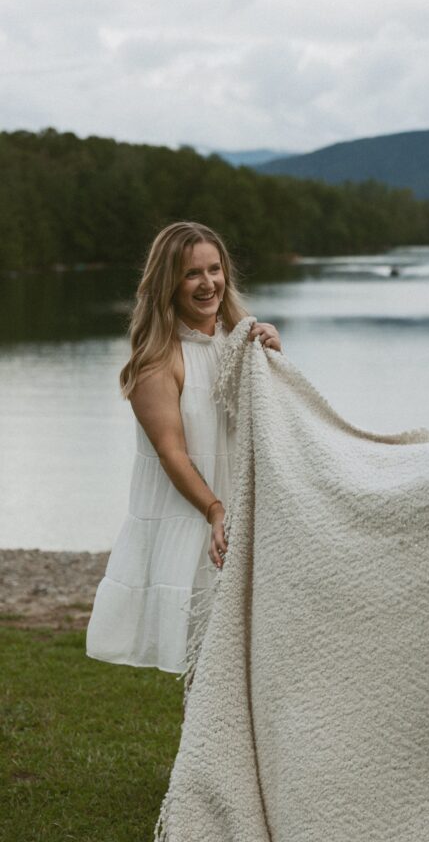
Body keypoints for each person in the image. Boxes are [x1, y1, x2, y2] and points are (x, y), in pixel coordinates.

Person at [86, 221, 281, 674]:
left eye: (215, 269)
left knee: (256, 660)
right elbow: (172, 454)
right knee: (210, 664)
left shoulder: (241, 345)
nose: (208, 283)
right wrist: (215, 511)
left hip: (243, 514)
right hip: (196, 519)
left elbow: (270, 426)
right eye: (193, 273)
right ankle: (204, 745)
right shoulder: (157, 361)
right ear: (168, 282)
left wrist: (273, 360)